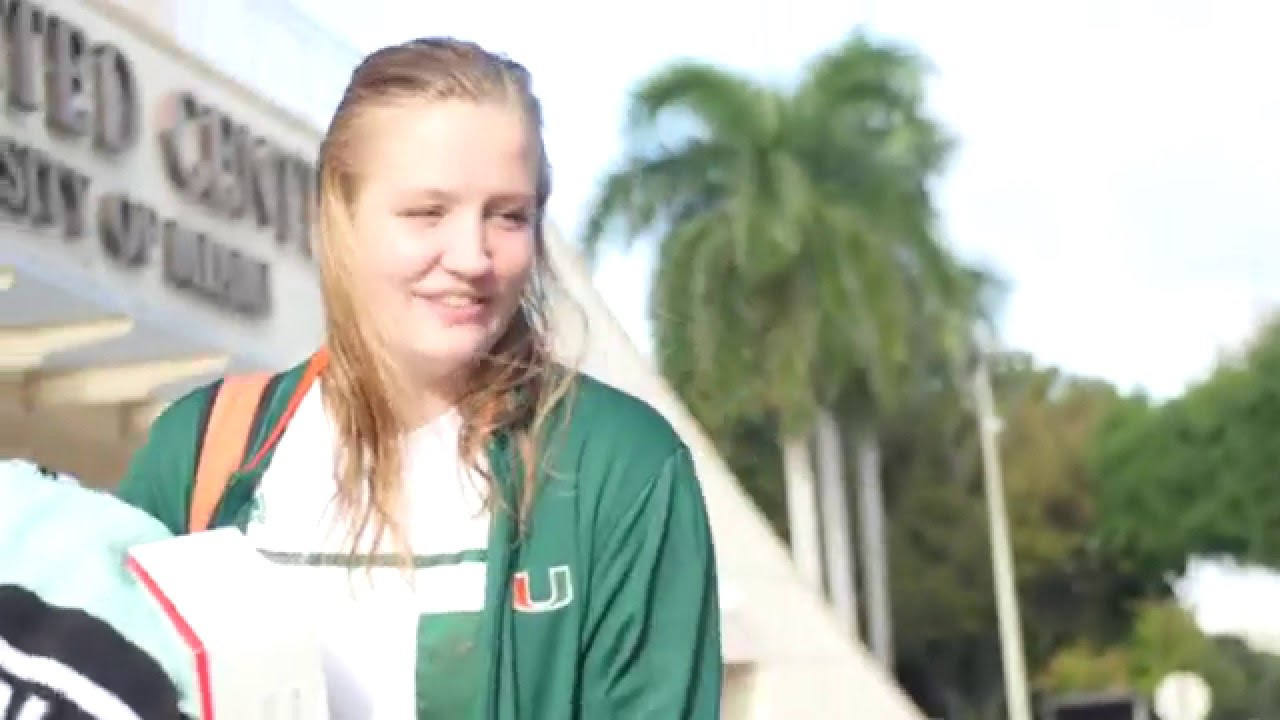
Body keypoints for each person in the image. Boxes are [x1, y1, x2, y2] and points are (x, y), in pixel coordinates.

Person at [118, 37, 722, 719]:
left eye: (508, 215)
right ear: (338, 214)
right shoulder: (200, 455)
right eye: (426, 212)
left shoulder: (618, 466)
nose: (472, 256)